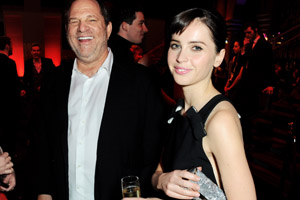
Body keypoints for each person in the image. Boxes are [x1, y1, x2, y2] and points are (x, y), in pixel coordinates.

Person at [36, 0, 165, 200]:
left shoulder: (141, 83)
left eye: (91, 19)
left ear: (108, 28)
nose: (81, 28)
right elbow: (43, 146)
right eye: (74, 21)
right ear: (66, 29)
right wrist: (44, 193)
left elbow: (153, 154)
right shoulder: (53, 81)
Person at [148, 8, 255, 200]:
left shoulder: (220, 120)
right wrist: (163, 181)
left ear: (218, 57)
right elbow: (158, 173)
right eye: (175, 45)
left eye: (196, 47)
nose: (181, 57)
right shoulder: (180, 109)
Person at [239, 21, 276, 144]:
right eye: (246, 33)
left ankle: (250, 142)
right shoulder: (248, 45)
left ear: (256, 30)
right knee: (244, 114)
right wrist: (244, 47)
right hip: (246, 83)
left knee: (251, 115)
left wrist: (271, 84)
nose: (247, 35)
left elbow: (270, 65)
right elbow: (243, 63)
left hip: (257, 84)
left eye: (249, 32)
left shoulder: (265, 45)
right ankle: (244, 140)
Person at [0, 36, 19, 156]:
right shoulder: (10, 63)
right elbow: (14, 87)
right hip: (8, 107)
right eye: (11, 45)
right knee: (8, 136)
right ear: (7, 46)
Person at [224, 38, 247, 109]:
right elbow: (232, 74)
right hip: (232, 83)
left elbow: (239, 76)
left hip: (237, 86)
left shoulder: (243, 58)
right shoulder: (235, 58)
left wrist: (230, 88)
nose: (233, 48)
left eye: (236, 46)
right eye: (234, 46)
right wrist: (227, 85)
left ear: (241, 48)